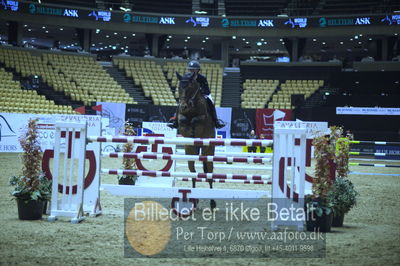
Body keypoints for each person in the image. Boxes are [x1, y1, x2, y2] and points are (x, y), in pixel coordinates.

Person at [168, 60, 225, 129]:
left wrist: (202, 92)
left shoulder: (202, 78)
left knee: (211, 103)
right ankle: (175, 122)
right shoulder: (186, 77)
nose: (191, 71)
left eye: (193, 69)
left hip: (203, 94)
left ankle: (216, 122)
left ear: (198, 70)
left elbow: (206, 88)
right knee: (180, 103)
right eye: (190, 69)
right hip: (190, 95)